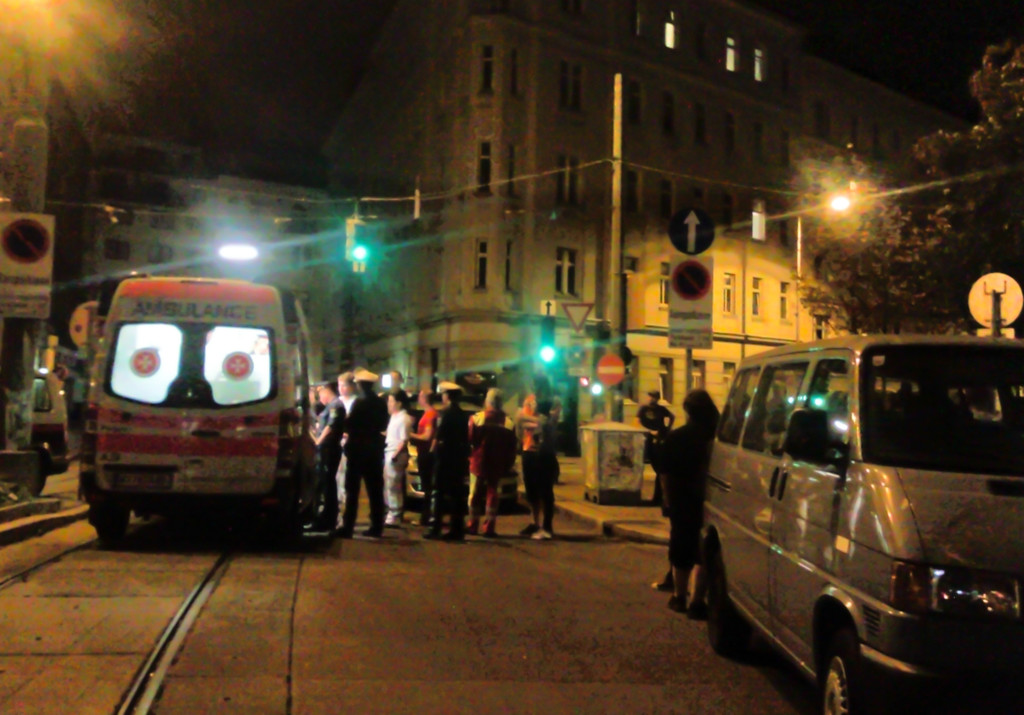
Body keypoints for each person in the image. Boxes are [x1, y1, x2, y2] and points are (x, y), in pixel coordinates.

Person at [659, 389, 720, 615]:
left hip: (681, 499)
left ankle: (679, 597)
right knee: (703, 550)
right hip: (710, 498)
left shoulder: (676, 437)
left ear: (688, 411)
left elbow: (665, 472)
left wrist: (667, 499)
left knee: (681, 548)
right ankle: (697, 600)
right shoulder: (716, 437)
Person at [338, 369, 389, 538]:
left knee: (352, 489)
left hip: (358, 448)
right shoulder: (380, 403)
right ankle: (377, 525)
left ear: (359, 385)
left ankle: (348, 526)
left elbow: (349, 424)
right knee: (375, 489)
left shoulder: (359, 402)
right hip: (374, 449)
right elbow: (383, 424)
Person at [467, 388, 517, 537]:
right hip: (497, 464)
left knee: (474, 495)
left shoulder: (477, 419)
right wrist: (508, 464)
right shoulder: (509, 423)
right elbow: (512, 447)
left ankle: (472, 525)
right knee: (493, 494)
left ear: (487, 401)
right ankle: (489, 527)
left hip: (479, 463)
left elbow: (471, 439)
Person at [424, 381, 470, 541]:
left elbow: (439, 435)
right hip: (458, 458)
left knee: (438, 492)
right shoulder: (462, 414)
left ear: (447, 396)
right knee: (457, 495)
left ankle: (435, 527)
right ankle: (457, 529)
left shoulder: (445, 414)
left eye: (443, 394)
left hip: (444, 457)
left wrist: (432, 453)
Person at [518, 393, 560, 540]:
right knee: (535, 491)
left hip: (541, 456)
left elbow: (524, 423)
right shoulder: (546, 418)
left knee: (544, 492)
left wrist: (527, 420)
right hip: (537, 455)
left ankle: (546, 527)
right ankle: (539, 524)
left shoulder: (545, 419)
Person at [313, 382, 345, 532]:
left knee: (328, 484)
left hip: (329, 448)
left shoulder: (335, 406)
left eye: (320, 394)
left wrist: (318, 441)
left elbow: (330, 426)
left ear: (327, 391)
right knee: (325, 483)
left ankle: (329, 518)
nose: (320, 398)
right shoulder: (330, 406)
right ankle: (325, 516)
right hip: (325, 448)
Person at [637, 390, 675, 507]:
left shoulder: (661, 409)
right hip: (647, 438)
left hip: (658, 440)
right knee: (654, 465)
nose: (652, 399)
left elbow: (671, 416)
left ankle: (658, 497)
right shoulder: (644, 409)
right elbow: (638, 422)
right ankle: (657, 497)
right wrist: (648, 431)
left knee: (659, 468)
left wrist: (667, 429)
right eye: (651, 397)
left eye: (654, 397)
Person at [384, 388, 414, 528]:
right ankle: (391, 512)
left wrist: (394, 455)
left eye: (391, 401)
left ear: (399, 403)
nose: (389, 404)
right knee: (389, 485)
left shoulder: (404, 418)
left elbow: (404, 439)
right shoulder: (394, 417)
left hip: (395, 454)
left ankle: (395, 514)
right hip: (389, 451)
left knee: (393, 485)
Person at [409, 389, 439, 527]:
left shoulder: (431, 414)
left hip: (426, 454)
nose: (418, 399)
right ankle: (426, 517)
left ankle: (426, 518)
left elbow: (427, 436)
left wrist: (409, 434)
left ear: (425, 398)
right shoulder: (428, 413)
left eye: (420, 396)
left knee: (427, 488)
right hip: (424, 453)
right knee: (428, 487)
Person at [334, 372, 358, 528]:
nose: (341, 388)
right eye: (339, 385)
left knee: (345, 476)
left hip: (348, 442)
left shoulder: (355, 402)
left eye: (344, 385)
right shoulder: (338, 401)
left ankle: (344, 509)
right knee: (337, 475)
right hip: (337, 442)